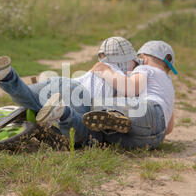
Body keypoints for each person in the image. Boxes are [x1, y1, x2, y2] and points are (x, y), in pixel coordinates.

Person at [0, 37, 138, 144]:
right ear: (127, 60)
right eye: (134, 62)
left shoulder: (97, 67)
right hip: (79, 95)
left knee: (30, 98)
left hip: (60, 82)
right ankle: (63, 113)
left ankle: (6, 76)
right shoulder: (120, 74)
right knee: (83, 134)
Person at [38, 40, 176, 149]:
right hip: (153, 138)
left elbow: (130, 88)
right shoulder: (169, 85)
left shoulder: (145, 68)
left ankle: (112, 114)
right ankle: (73, 135)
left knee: (94, 104)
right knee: (106, 137)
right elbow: (169, 129)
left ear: (143, 58)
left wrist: (105, 72)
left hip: (147, 112)